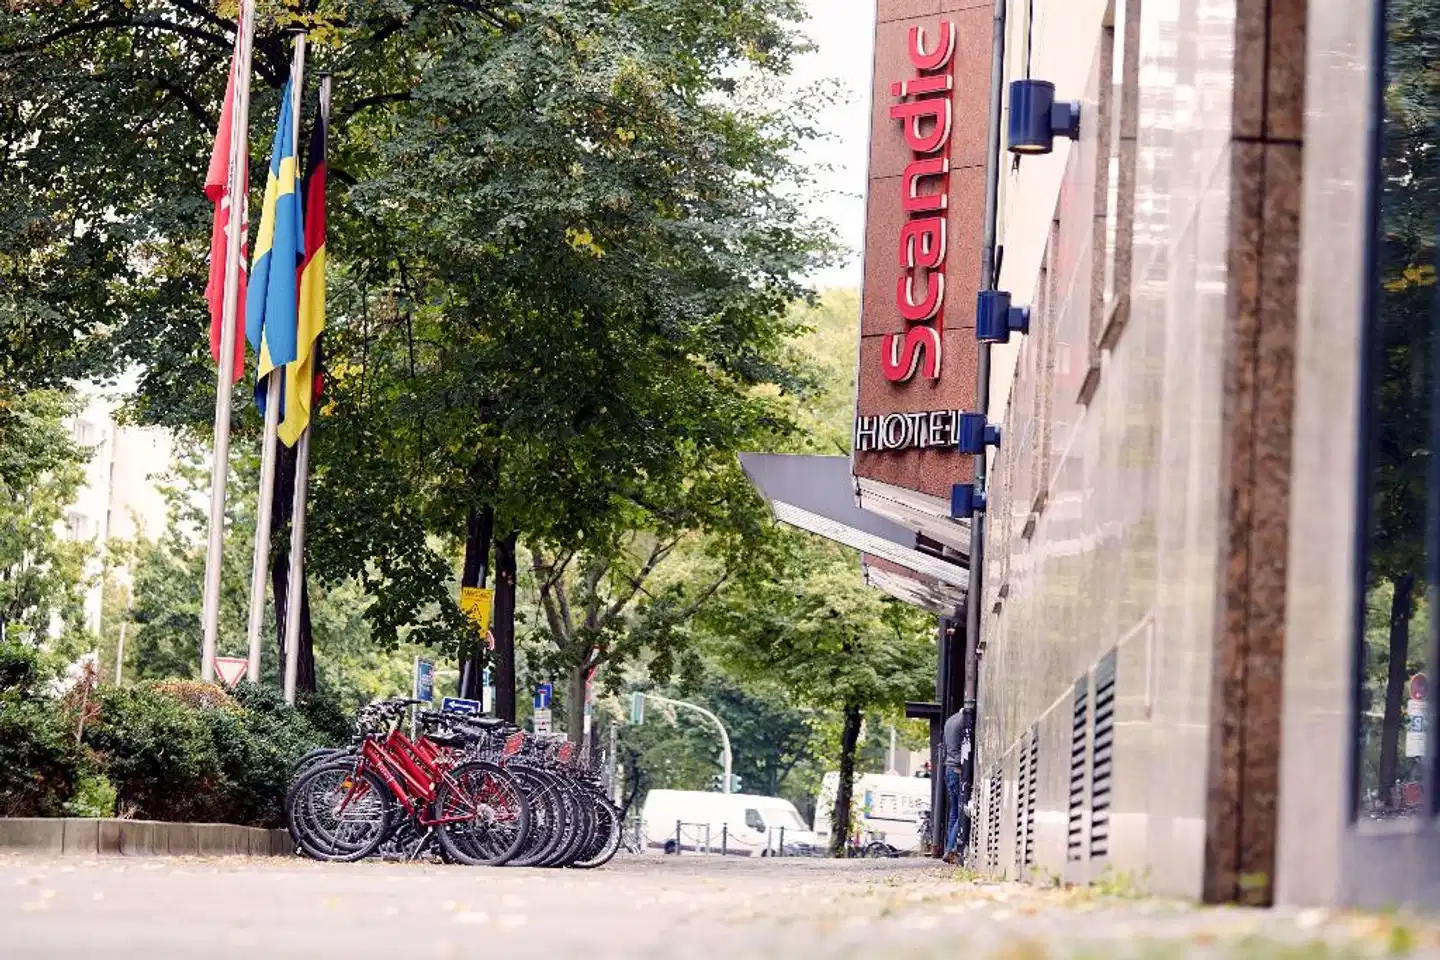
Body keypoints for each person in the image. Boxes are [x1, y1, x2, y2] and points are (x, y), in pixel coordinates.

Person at [941, 708, 970, 864]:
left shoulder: (950, 720)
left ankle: (948, 848)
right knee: (960, 813)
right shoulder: (965, 721)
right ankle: (951, 849)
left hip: (949, 769)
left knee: (953, 813)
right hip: (958, 770)